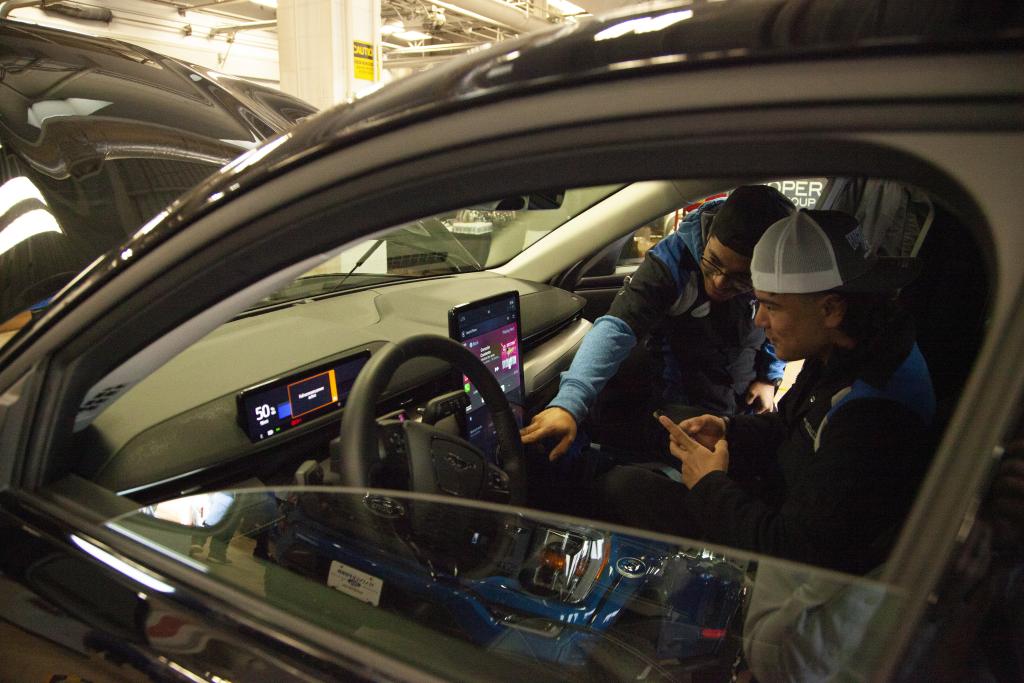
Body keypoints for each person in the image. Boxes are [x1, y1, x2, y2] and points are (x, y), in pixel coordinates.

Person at [594, 209, 936, 574]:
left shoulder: (872, 415)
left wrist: (710, 485)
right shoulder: (846, 348)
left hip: (786, 565)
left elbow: (793, 551)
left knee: (622, 488)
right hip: (778, 497)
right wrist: (728, 428)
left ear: (831, 309)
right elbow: (790, 429)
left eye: (771, 306)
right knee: (667, 431)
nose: (759, 320)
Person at [521, 185, 794, 462]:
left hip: (742, 403)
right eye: (713, 262)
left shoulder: (780, 271)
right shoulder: (673, 261)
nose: (720, 282)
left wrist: (769, 378)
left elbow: (779, 322)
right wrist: (569, 404)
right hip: (681, 406)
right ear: (709, 233)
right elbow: (617, 328)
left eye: (741, 278)